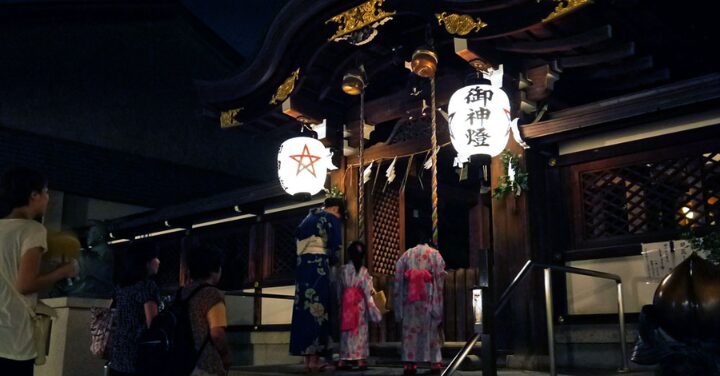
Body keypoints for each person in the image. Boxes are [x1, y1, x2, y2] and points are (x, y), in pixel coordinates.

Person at [0, 168, 78, 375]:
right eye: (45, 191)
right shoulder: (32, 230)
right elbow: (25, 285)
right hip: (13, 339)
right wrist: (63, 271)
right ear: (33, 195)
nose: (47, 197)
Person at [289, 197, 345, 372]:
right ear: (335, 208)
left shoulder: (307, 218)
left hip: (303, 268)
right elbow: (334, 247)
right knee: (318, 310)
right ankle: (315, 360)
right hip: (318, 268)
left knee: (303, 311)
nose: (339, 217)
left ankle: (307, 360)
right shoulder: (331, 219)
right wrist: (334, 260)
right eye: (339, 213)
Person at [393, 236, 447, 375]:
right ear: (428, 242)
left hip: (410, 301)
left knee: (410, 331)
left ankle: (410, 364)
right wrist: (438, 304)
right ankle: (434, 362)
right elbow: (439, 279)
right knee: (431, 330)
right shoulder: (434, 254)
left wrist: (399, 305)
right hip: (428, 299)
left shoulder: (407, 255)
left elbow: (398, 279)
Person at [108, 245, 160, 376]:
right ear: (146, 262)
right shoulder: (147, 286)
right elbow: (152, 323)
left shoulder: (122, 286)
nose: (158, 261)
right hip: (137, 354)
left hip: (118, 354)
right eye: (155, 257)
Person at [181, 245, 231, 376]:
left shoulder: (182, 293)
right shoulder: (212, 295)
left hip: (183, 361)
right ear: (215, 270)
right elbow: (217, 334)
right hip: (206, 365)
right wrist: (226, 357)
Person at [337, 241, 382, 370]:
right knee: (359, 331)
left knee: (346, 332)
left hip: (346, 303)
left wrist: (340, 304)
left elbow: (339, 291)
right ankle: (360, 359)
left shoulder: (343, 270)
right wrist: (375, 312)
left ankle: (343, 359)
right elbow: (367, 292)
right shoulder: (363, 272)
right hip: (358, 304)